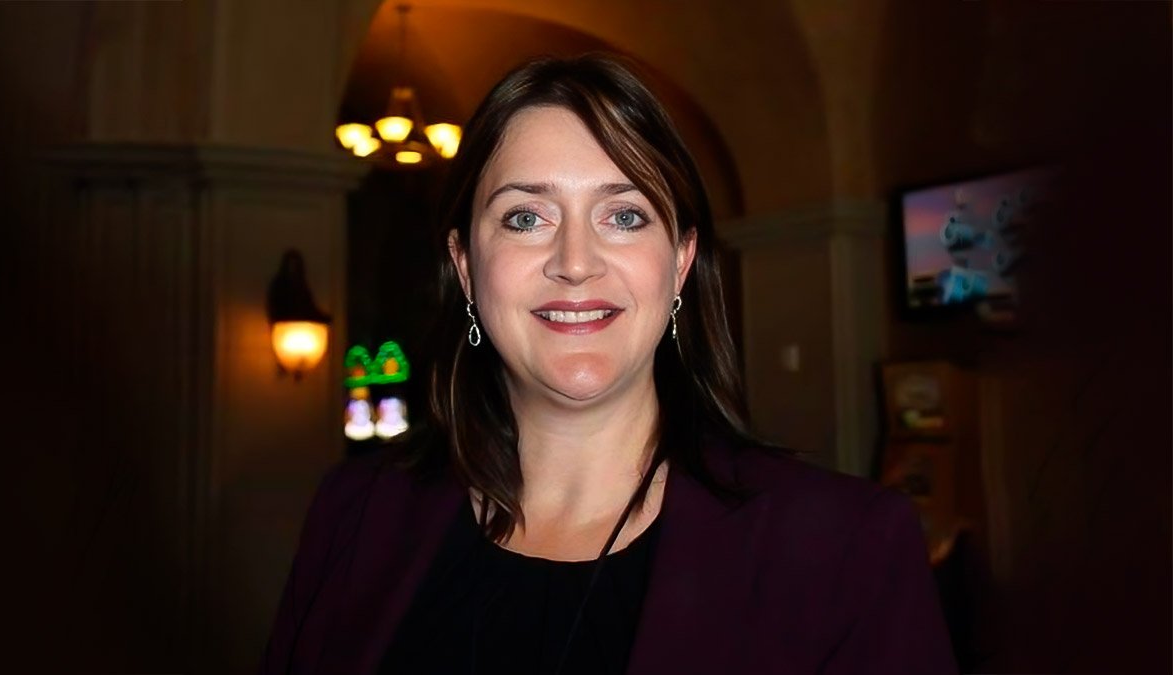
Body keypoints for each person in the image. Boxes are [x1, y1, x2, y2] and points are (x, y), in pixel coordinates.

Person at [261, 55, 956, 674]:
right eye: (526, 218)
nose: (575, 263)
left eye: (623, 216)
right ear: (465, 266)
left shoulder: (849, 548)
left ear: (680, 262)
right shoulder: (354, 513)